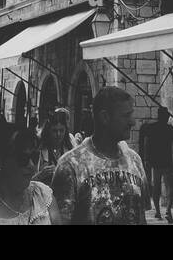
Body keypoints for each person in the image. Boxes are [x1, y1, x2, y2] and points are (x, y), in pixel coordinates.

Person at [51, 85, 147, 224]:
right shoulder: (70, 165)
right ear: (105, 117)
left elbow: (141, 217)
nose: (132, 122)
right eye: (126, 115)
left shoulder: (135, 161)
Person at [139, 106, 173, 222]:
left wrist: (146, 159)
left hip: (157, 163)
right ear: (164, 116)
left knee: (158, 188)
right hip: (165, 163)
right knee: (170, 188)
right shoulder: (169, 129)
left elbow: (146, 144)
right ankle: (166, 211)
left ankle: (159, 211)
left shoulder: (152, 128)